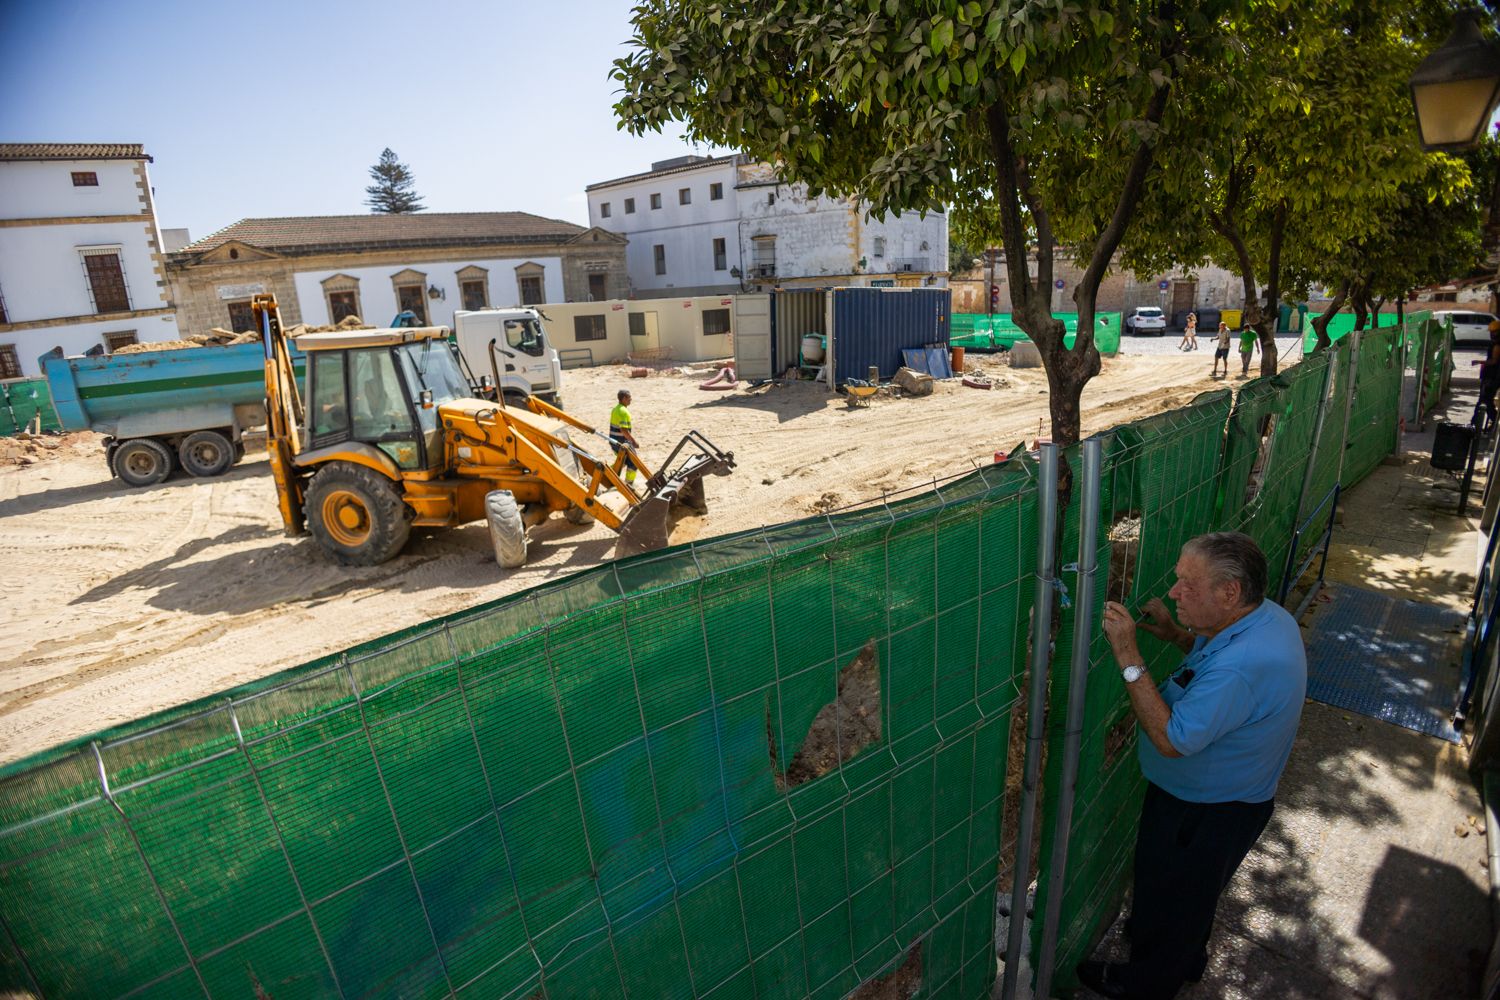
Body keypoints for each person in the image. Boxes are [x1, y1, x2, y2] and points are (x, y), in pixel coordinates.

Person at [1076, 532, 1306, 1000]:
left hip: (1205, 809)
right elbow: (1215, 673)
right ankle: (1183, 956)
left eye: (1188, 586)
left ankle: (1145, 985)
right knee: (1192, 899)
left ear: (1229, 593)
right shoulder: (1264, 619)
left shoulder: (1242, 664)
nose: (1175, 592)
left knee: (1170, 896)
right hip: (1231, 799)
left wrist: (1128, 654)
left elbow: (1171, 739)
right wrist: (1178, 636)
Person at [609, 389, 641, 489]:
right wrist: (634, 441)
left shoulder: (616, 409)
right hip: (621, 442)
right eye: (629, 397)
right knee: (634, 462)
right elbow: (624, 430)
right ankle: (629, 484)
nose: (631, 399)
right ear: (623, 398)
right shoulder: (623, 412)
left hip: (614, 441)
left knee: (622, 461)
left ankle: (607, 473)